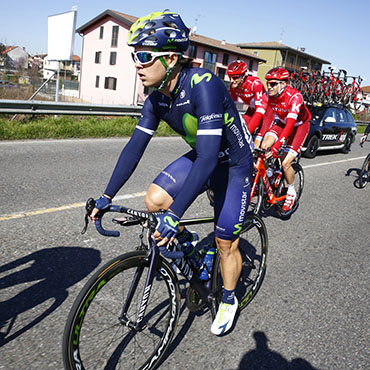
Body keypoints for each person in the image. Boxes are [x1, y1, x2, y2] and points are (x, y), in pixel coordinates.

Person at [90, 11, 254, 335]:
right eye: (134, 55)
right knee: (153, 200)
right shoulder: (156, 100)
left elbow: (208, 159)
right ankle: (192, 249)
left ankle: (230, 298)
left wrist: (175, 214)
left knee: (224, 242)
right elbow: (134, 149)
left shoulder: (203, 86)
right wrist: (107, 196)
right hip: (205, 156)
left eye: (144, 55)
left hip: (234, 165)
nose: (137, 63)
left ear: (171, 59)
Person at [247, 67, 311, 212]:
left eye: (273, 84)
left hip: (298, 126)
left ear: (283, 84)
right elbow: (262, 116)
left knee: (285, 162)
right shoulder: (267, 96)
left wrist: (276, 148)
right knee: (263, 146)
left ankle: (290, 191)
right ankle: (269, 173)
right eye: (268, 83)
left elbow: (290, 126)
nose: (269, 87)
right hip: (281, 122)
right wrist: (252, 137)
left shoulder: (295, 97)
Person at [227, 60, 275, 142]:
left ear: (244, 75)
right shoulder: (233, 86)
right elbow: (231, 107)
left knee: (256, 141)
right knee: (238, 131)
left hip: (266, 112)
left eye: (235, 77)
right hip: (252, 110)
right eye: (229, 77)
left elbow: (259, 111)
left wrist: (247, 132)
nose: (231, 81)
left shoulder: (255, 84)